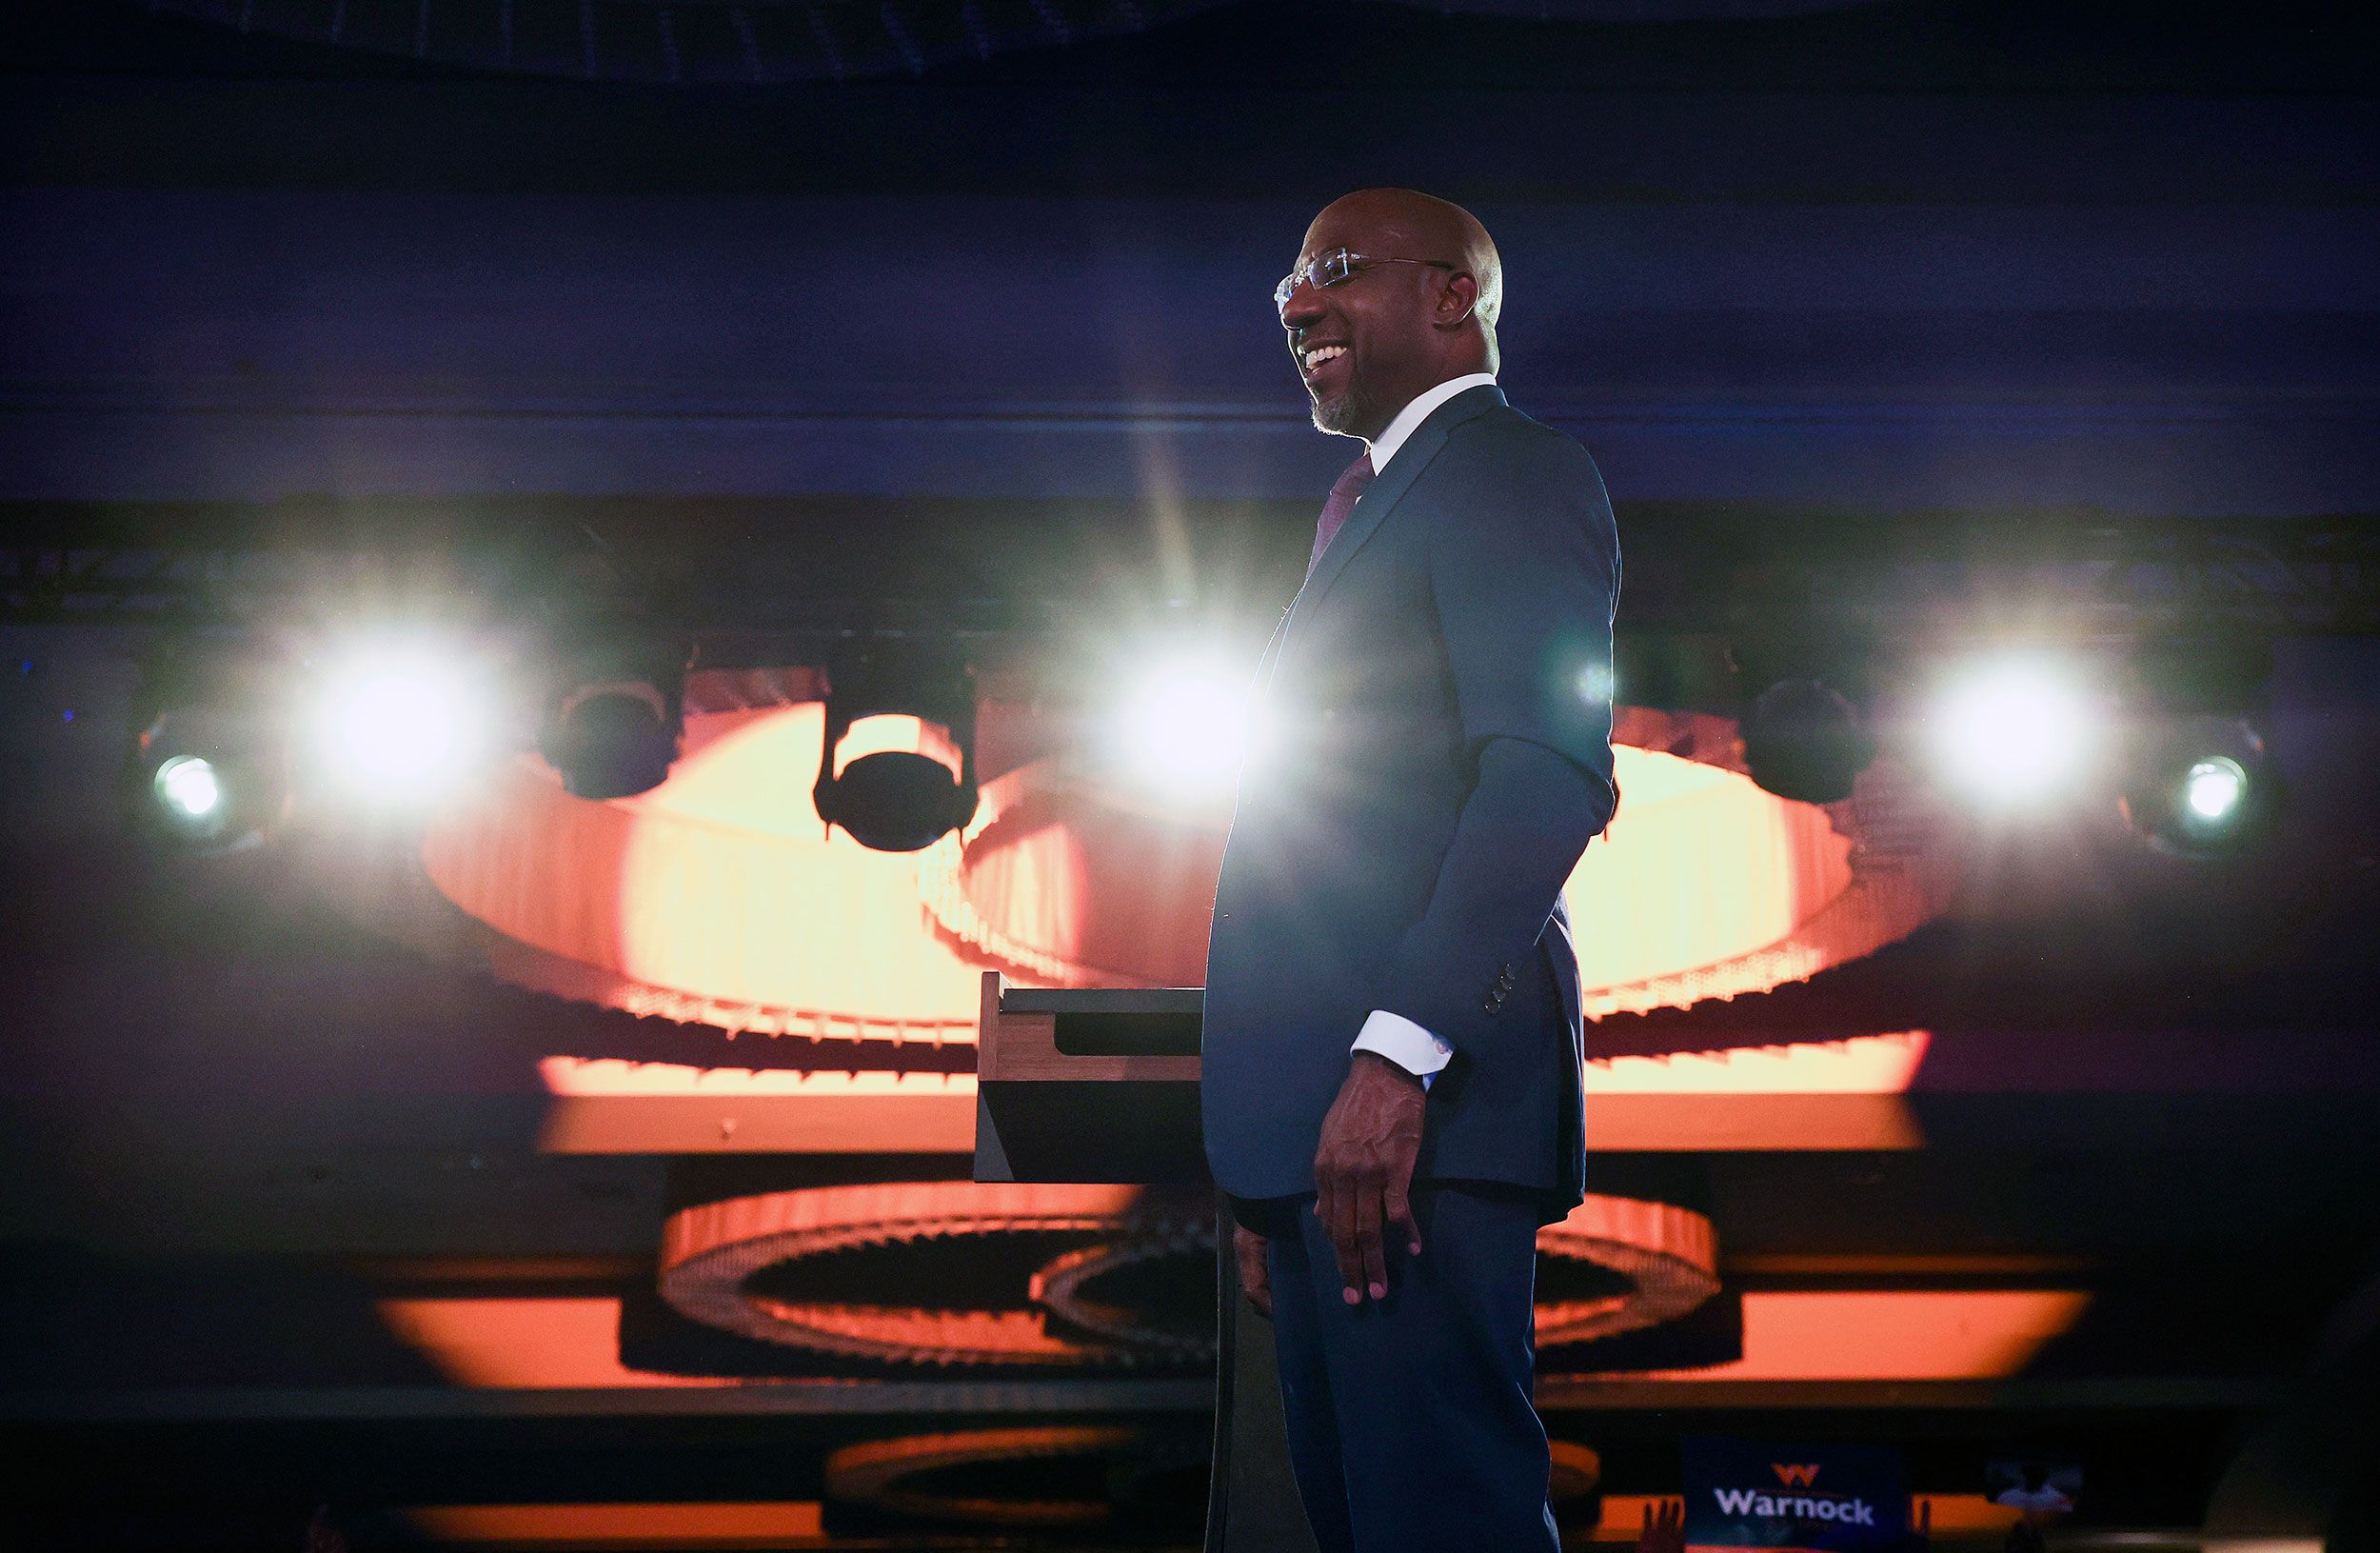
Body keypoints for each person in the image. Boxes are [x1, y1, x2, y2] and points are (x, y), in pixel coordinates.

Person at [1200, 188, 1621, 1552]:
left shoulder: (1510, 470)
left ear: (1451, 298)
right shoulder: (1372, 506)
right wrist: (1275, 1168)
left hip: (1419, 1121)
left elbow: (1545, 773)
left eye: (1334, 270)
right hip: (1329, 1143)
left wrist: (1395, 1060)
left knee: (1442, 1526)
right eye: (1289, 276)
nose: (1294, 301)